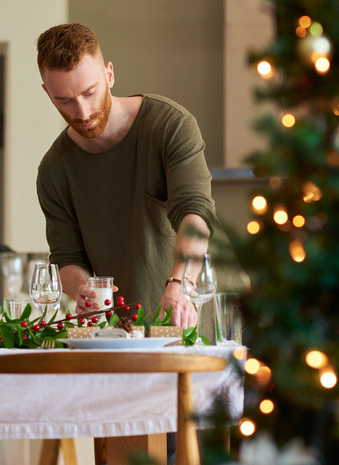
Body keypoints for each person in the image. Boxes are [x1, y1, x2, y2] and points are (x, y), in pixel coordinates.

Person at [36, 23, 237, 328]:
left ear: (110, 75)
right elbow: (66, 258)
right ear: (47, 92)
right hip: (129, 330)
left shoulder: (170, 125)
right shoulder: (54, 170)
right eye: (64, 100)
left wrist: (180, 284)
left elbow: (195, 214)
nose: (82, 111)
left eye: (90, 92)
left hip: (210, 313)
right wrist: (83, 289)